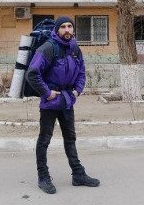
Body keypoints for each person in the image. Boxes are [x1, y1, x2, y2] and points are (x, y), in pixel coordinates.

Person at [26, 16, 100, 194]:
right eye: (63, 27)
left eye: (70, 26)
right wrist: (47, 93)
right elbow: (32, 74)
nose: (67, 30)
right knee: (44, 139)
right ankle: (43, 176)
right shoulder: (48, 48)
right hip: (50, 103)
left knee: (70, 138)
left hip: (67, 100)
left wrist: (77, 91)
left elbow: (81, 72)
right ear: (57, 30)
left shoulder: (75, 48)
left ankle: (78, 174)